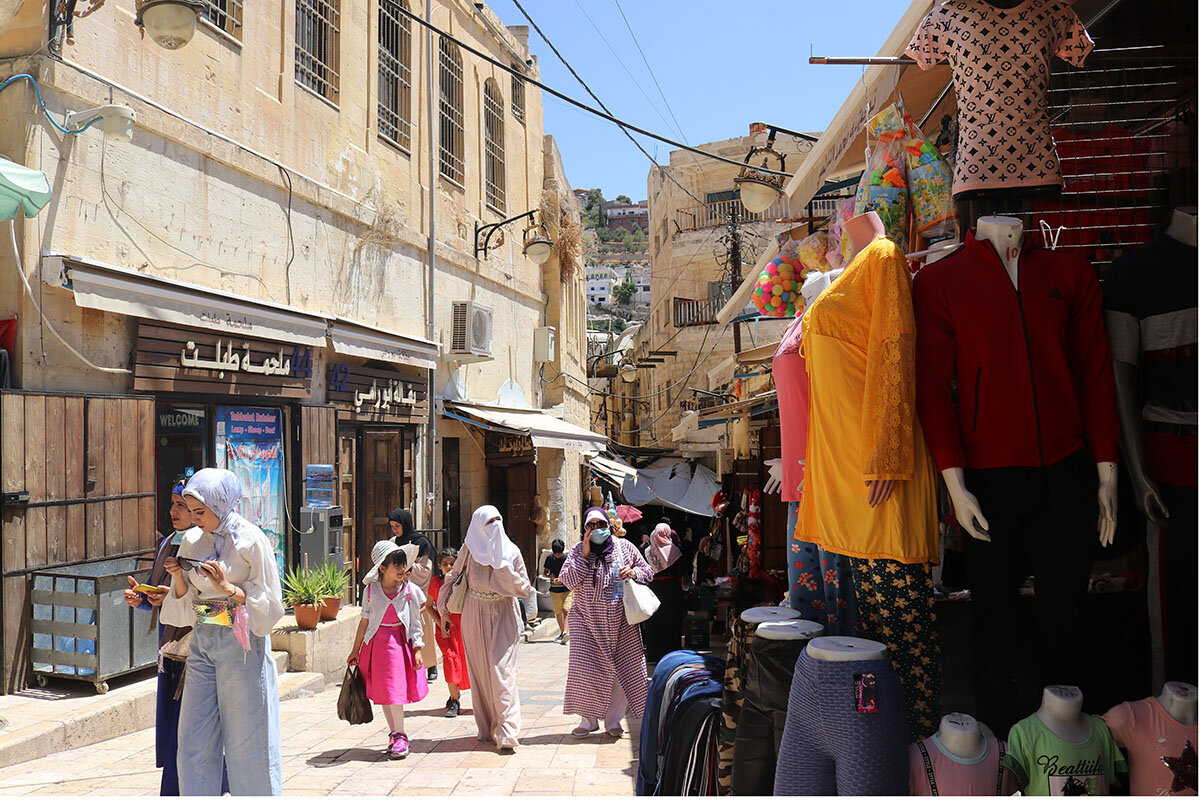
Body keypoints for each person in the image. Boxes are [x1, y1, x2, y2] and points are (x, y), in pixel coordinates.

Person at [160, 468, 285, 796]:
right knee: (193, 739)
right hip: (202, 643)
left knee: (248, 738)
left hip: (241, 646)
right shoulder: (191, 540)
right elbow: (186, 601)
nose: (194, 519)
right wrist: (178, 576)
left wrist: (227, 587)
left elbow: (270, 603)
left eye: (200, 512)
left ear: (221, 504)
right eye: (191, 511)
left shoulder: (251, 540)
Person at [123, 477, 229, 797]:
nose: (175, 511)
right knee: (174, 732)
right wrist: (145, 599)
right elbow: (163, 600)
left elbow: (227, 613)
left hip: (202, 655)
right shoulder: (168, 543)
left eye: (184, 506)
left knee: (199, 733)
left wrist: (180, 601)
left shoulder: (216, 548)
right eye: (175, 504)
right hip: (171, 653)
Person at [436, 506, 532, 751]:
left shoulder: (511, 552)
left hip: (503, 614)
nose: (494, 526)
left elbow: (524, 588)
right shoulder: (468, 550)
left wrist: (504, 569)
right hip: (474, 613)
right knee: (480, 671)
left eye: (497, 521)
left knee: (502, 672)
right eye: (489, 522)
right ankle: (489, 725)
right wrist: (444, 611)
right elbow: (453, 576)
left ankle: (507, 730)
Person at [560, 507, 655, 738]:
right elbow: (568, 581)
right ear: (585, 529)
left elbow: (648, 572)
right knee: (585, 669)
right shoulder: (577, 551)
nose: (597, 529)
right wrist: (584, 555)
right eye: (591, 525)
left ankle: (613, 721)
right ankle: (588, 720)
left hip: (622, 622)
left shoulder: (625, 547)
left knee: (623, 670)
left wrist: (632, 572)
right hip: (585, 621)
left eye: (601, 525)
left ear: (608, 526)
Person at [347, 541, 428, 759]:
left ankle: (401, 735)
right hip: (376, 646)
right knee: (385, 693)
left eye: (403, 564)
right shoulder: (370, 591)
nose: (402, 569)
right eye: (397, 565)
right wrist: (355, 650)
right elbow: (364, 622)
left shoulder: (409, 591)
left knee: (395, 691)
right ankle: (395, 734)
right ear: (382, 568)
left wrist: (417, 649)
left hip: (399, 646)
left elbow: (415, 623)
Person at [389, 509, 439, 682]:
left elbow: (425, 570)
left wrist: (407, 566)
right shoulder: (393, 542)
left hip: (418, 591)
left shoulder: (421, 542)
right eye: (392, 527)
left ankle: (431, 665)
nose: (395, 530)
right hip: (398, 591)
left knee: (423, 628)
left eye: (397, 526)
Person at [426, 547, 470, 717]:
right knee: (451, 661)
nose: (449, 567)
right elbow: (429, 606)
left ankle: (457, 693)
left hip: (463, 628)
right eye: (445, 564)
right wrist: (439, 624)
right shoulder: (436, 583)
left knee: (465, 663)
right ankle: (454, 700)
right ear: (439, 566)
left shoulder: (463, 581)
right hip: (445, 631)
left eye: (452, 564)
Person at [640, 522, 686, 666]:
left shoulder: (647, 551)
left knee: (654, 622)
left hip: (653, 590)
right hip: (672, 591)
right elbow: (681, 572)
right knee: (672, 622)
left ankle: (654, 654)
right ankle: (672, 655)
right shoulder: (674, 551)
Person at [543, 539, 572, 644]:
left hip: (567, 588)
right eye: (555, 554)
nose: (557, 556)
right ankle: (562, 632)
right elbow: (545, 572)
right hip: (555, 589)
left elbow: (571, 572)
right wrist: (550, 576)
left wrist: (563, 579)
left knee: (566, 610)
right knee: (558, 612)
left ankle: (565, 632)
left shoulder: (567, 559)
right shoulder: (549, 558)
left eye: (559, 554)